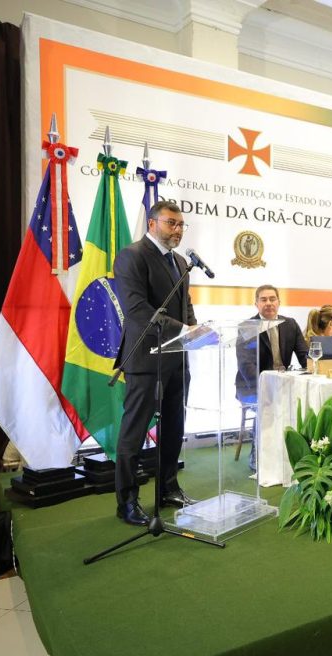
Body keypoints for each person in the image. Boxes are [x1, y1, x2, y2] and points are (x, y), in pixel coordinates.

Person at [112, 201, 197, 526]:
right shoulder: (132, 256)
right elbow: (136, 309)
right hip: (146, 359)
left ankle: (168, 488)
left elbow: (185, 305)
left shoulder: (180, 261)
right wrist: (183, 329)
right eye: (171, 223)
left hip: (177, 358)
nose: (177, 230)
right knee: (134, 432)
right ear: (152, 223)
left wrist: (195, 329)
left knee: (174, 427)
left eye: (180, 224)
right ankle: (127, 501)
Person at [236, 284, 308, 472]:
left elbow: (304, 354)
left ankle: (293, 452)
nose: (268, 303)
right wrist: (265, 386)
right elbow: (246, 364)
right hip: (252, 384)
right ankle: (257, 454)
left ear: (279, 302)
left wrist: (313, 370)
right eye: (263, 299)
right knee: (265, 402)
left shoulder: (290, 324)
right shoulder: (247, 327)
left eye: (272, 299)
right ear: (256, 304)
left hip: (282, 381)